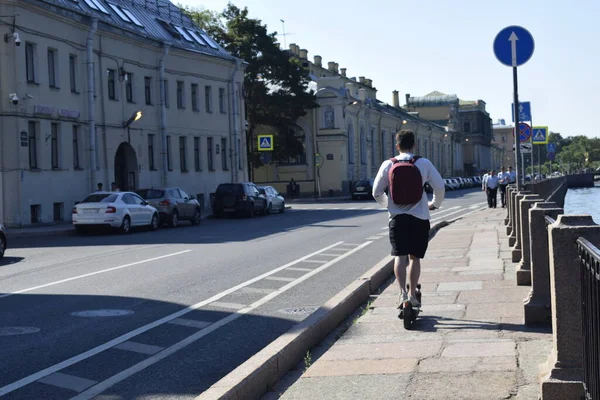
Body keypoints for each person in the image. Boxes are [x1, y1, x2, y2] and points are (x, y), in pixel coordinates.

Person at [372, 130, 445, 308]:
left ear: (397, 146)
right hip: (420, 218)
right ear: (414, 145)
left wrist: (389, 205)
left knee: (399, 256)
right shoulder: (423, 163)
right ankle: (413, 294)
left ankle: (402, 294)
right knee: (414, 258)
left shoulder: (388, 164)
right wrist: (434, 204)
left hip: (397, 219)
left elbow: (376, 192)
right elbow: (440, 187)